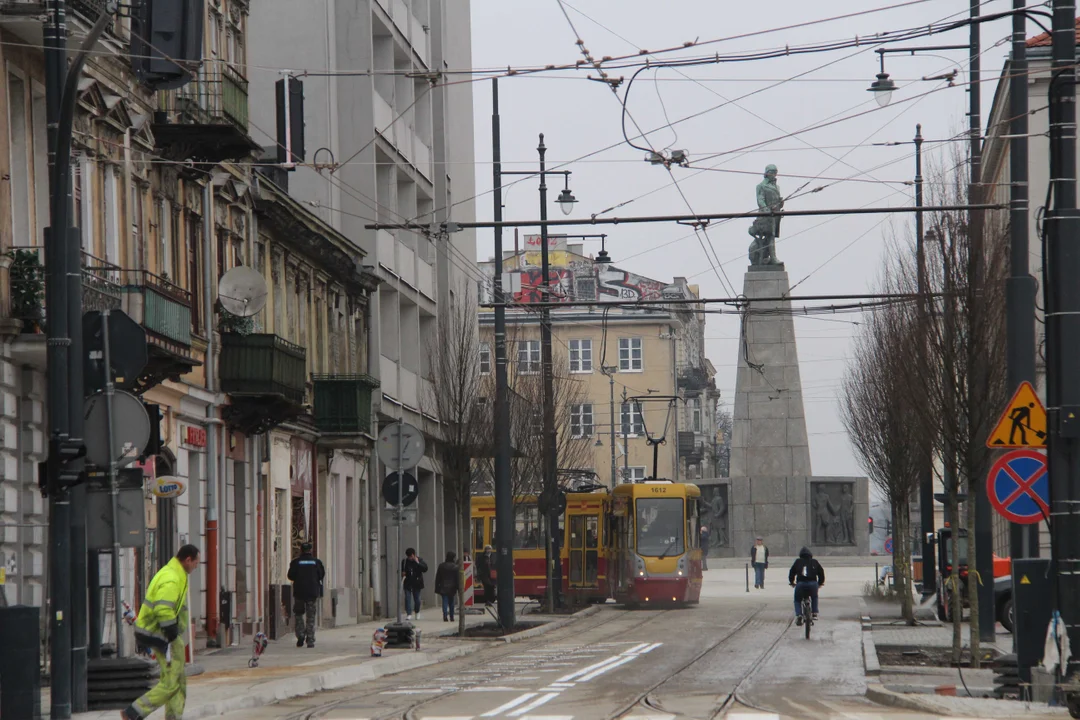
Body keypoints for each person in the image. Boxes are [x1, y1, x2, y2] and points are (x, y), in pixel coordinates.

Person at [123, 545, 200, 720]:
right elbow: (163, 608)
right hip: (161, 634)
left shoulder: (176, 574)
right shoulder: (172, 578)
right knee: (172, 682)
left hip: (161, 633)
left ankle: (172, 717)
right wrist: (173, 634)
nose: (196, 566)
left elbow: (178, 607)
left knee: (178, 679)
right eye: (196, 562)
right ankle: (134, 712)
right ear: (188, 560)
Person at [288, 541, 325, 648]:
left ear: (301, 550)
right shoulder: (316, 562)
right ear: (310, 550)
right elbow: (321, 575)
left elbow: (290, 576)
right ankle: (310, 639)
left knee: (299, 614)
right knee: (311, 616)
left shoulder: (296, 562)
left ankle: (300, 635)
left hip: (299, 592)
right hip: (312, 592)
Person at [788, 546, 826, 625]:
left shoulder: (798, 561)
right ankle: (814, 612)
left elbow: (792, 572)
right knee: (814, 596)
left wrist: (792, 582)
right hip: (813, 583)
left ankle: (799, 614)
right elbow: (821, 573)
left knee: (797, 600)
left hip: (801, 583)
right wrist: (820, 583)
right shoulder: (814, 562)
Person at [401, 547, 428, 620]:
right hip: (408, 582)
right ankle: (409, 613)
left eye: (411, 556)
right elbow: (401, 570)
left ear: (413, 555)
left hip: (417, 582)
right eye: (408, 557)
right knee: (407, 598)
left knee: (417, 599)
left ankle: (417, 611)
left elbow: (425, 569)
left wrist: (417, 562)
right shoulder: (405, 562)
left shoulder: (420, 560)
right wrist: (402, 573)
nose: (410, 558)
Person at [435, 551, 461, 622]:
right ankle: (452, 617)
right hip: (452, 587)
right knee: (451, 602)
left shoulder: (441, 566)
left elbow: (438, 577)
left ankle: (445, 616)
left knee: (445, 602)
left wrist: (437, 587)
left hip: (443, 586)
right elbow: (457, 578)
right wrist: (459, 588)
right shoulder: (455, 567)